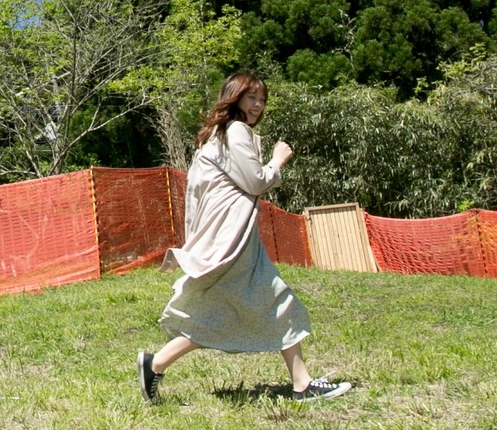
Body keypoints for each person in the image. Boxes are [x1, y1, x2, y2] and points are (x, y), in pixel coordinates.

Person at [138, 72, 350, 404]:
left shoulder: (217, 135)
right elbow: (255, 182)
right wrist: (278, 161)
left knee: (225, 309)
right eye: (251, 97)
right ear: (234, 97)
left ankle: (157, 363)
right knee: (276, 300)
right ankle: (302, 384)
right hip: (232, 240)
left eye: (262, 99)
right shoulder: (235, 131)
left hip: (229, 238)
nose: (257, 105)